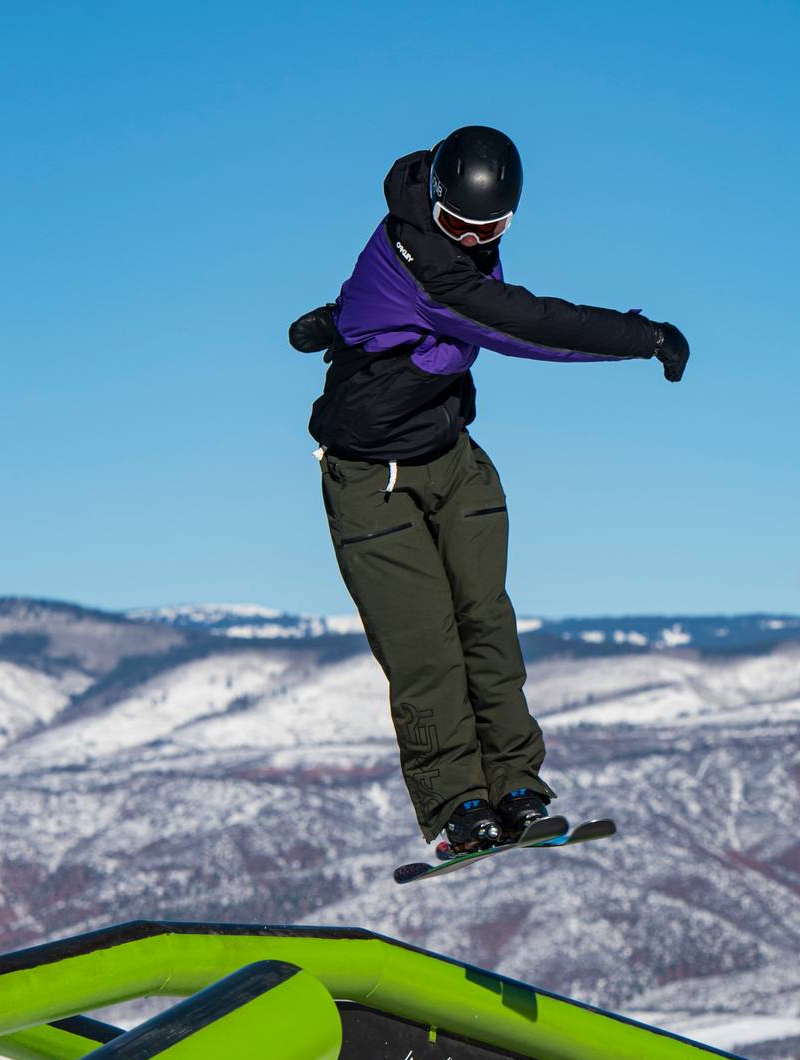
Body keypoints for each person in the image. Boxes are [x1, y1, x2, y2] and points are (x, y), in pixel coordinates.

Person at [288, 125, 690, 858]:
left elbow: (362, 303)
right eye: (457, 227)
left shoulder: (439, 242)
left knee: (486, 628)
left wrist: (325, 324)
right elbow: (532, 326)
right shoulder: (432, 271)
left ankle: (516, 788)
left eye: (491, 229)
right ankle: (459, 805)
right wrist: (645, 336)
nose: (473, 242)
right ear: (433, 203)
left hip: (451, 459)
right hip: (371, 482)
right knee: (426, 647)